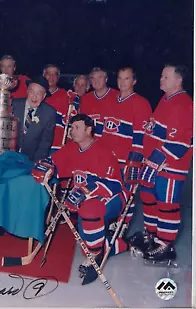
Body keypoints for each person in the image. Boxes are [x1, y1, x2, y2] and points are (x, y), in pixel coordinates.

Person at [32, 114, 127, 285]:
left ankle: (95, 257)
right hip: (85, 201)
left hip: (113, 197)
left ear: (88, 129)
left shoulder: (103, 151)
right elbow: (53, 161)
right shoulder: (71, 148)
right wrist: (45, 167)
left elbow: (115, 184)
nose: (71, 131)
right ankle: (120, 244)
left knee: (89, 213)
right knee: (87, 237)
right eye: (71, 127)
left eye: (76, 127)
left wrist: (86, 190)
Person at [127, 64, 193, 264]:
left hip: (170, 167)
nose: (161, 79)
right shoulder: (166, 100)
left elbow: (182, 140)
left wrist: (156, 161)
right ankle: (152, 237)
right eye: (161, 76)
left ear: (178, 80)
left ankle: (165, 244)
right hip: (154, 164)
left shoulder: (184, 104)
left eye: (165, 77)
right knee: (149, 200)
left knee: (166, 205)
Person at [98, 67, 152, 237]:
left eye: (126, 78)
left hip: (126, 160)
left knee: (127, 193)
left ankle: (123, 225)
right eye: (120, 78)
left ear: (134, 81)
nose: (122, 82)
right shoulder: (111, 100)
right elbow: (102, 130)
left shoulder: (140, 103)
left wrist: (135, 159)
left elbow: (140, 136)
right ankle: (113, 222)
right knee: (111, 191)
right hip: (109, 159)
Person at [12, 76, 57, 162]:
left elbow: (45, 144)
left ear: (44, 96)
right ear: (27, 91)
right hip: (9, 156)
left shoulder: (49, 113)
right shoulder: (13, 105)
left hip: (30, 161)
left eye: (39, 93)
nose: (34, 97)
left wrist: (36, 165)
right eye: (32, 92)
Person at [43, 64, 79, 153]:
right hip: (38, 146)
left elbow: (71, 124)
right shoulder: (36, 95)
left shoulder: (66, 97)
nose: (51, 77)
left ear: (58, 77)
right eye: (48, 73)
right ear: (43, 75)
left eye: (54, 74)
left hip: (57, 147)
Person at [79, 67, 120, 137]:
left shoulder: (118, 97)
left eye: (99, 77)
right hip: (91, 143)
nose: (96, 81)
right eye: (93, 78)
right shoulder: (85, 99)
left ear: (106, 79)